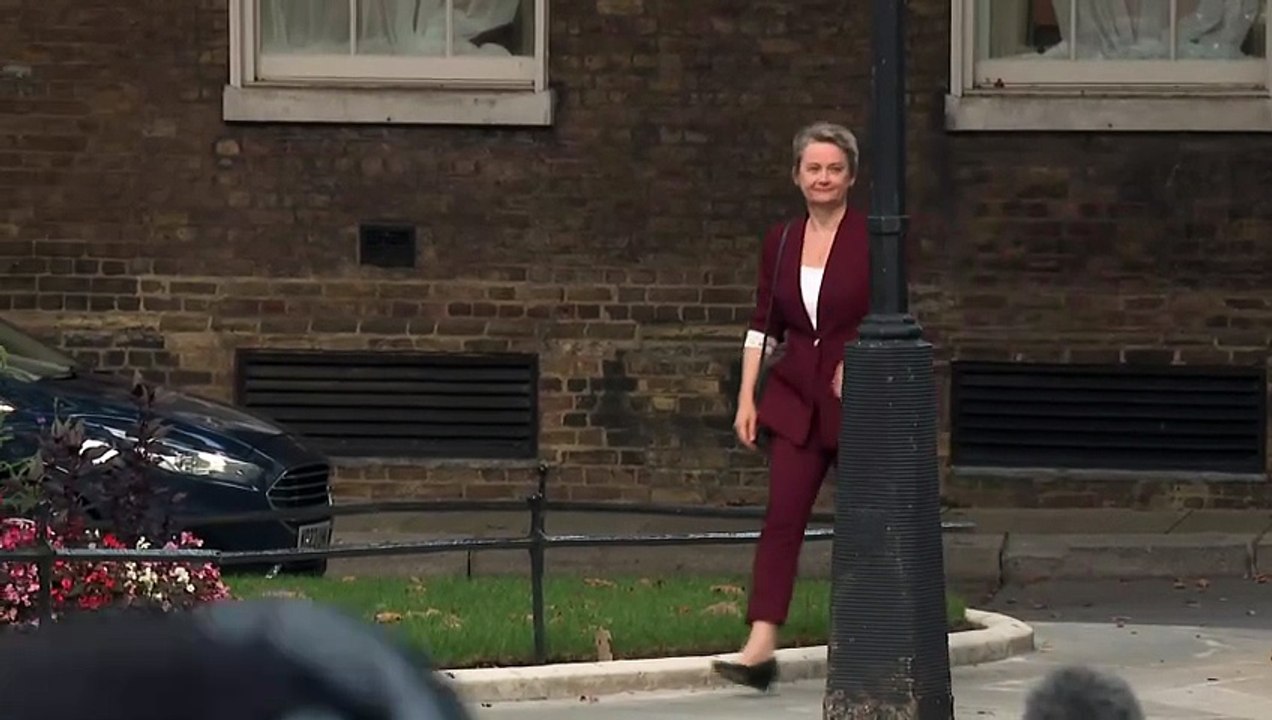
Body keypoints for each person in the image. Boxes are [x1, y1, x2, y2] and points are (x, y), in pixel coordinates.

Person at [712, 121, 870, 691]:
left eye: (833, 168)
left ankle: (871, 638)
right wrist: (746, 397)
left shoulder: (875, 236)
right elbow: (763, 325)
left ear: (850, 176)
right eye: (813, 169)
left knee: (869, 526)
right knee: (781, 521)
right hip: (795, 401)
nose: (823, 178)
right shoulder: (780, 241)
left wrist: (864, 357)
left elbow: (892, 313)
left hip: (856, 405)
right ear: (797, 176)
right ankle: (760, 645)